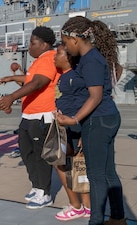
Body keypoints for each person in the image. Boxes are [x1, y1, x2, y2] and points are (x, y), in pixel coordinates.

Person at [58, 16, 126, 225]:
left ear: (75, 40)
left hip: (97, 120)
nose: (67, 49)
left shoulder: (90, 60)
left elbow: (95, 96)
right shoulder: (94, 58)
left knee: (96, 176)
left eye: (66, 43)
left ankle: (95, 221)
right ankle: (117, 218)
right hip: (107, 117)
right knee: (108, 173)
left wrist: (74, 119)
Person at [0, 26, 61, 209]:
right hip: (29, 114)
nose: (29, 46)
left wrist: (11, 97)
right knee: (26, 152)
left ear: (44, 44)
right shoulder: (39, 60)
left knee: (41, 156)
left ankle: (45, 193)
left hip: (42, 115)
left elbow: (38, 82)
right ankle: (36, 186)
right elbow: (30, 79)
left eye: (33, 43)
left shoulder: (49, 58)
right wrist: (11, 78)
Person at [54, 45, 91, 221]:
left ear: (68, 57)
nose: (55, 56)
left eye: (59, 53)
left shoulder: (75, 75)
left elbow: (85, 102)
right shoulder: (65, 76)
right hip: (65, 126)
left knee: (66, 163)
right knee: (75, 164)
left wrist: (84, 130)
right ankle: (86, 207)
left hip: (74, 126)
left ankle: (77, 206)